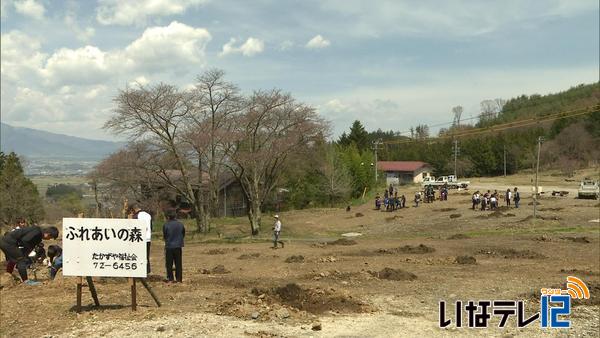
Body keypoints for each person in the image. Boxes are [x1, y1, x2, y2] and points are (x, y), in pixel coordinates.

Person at [163, 210, 185, 283]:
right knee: (178, 263)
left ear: (168, 217)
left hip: (169, 246)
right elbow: (183, 233)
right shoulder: (180, 224)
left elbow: (165, 235)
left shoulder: (166, 225)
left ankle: (170, 278)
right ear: (175, 216)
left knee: (169, 263)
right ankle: (179, 279)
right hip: (178, 246)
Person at [130, 205, 152, 274]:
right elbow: (151, 226)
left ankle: (139, 271)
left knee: (138, 255)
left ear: (133, 210)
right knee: (146, 256)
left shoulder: (137, 216)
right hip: (148, 238)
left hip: (139, 239)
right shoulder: (148, 215)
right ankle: (147, 271)